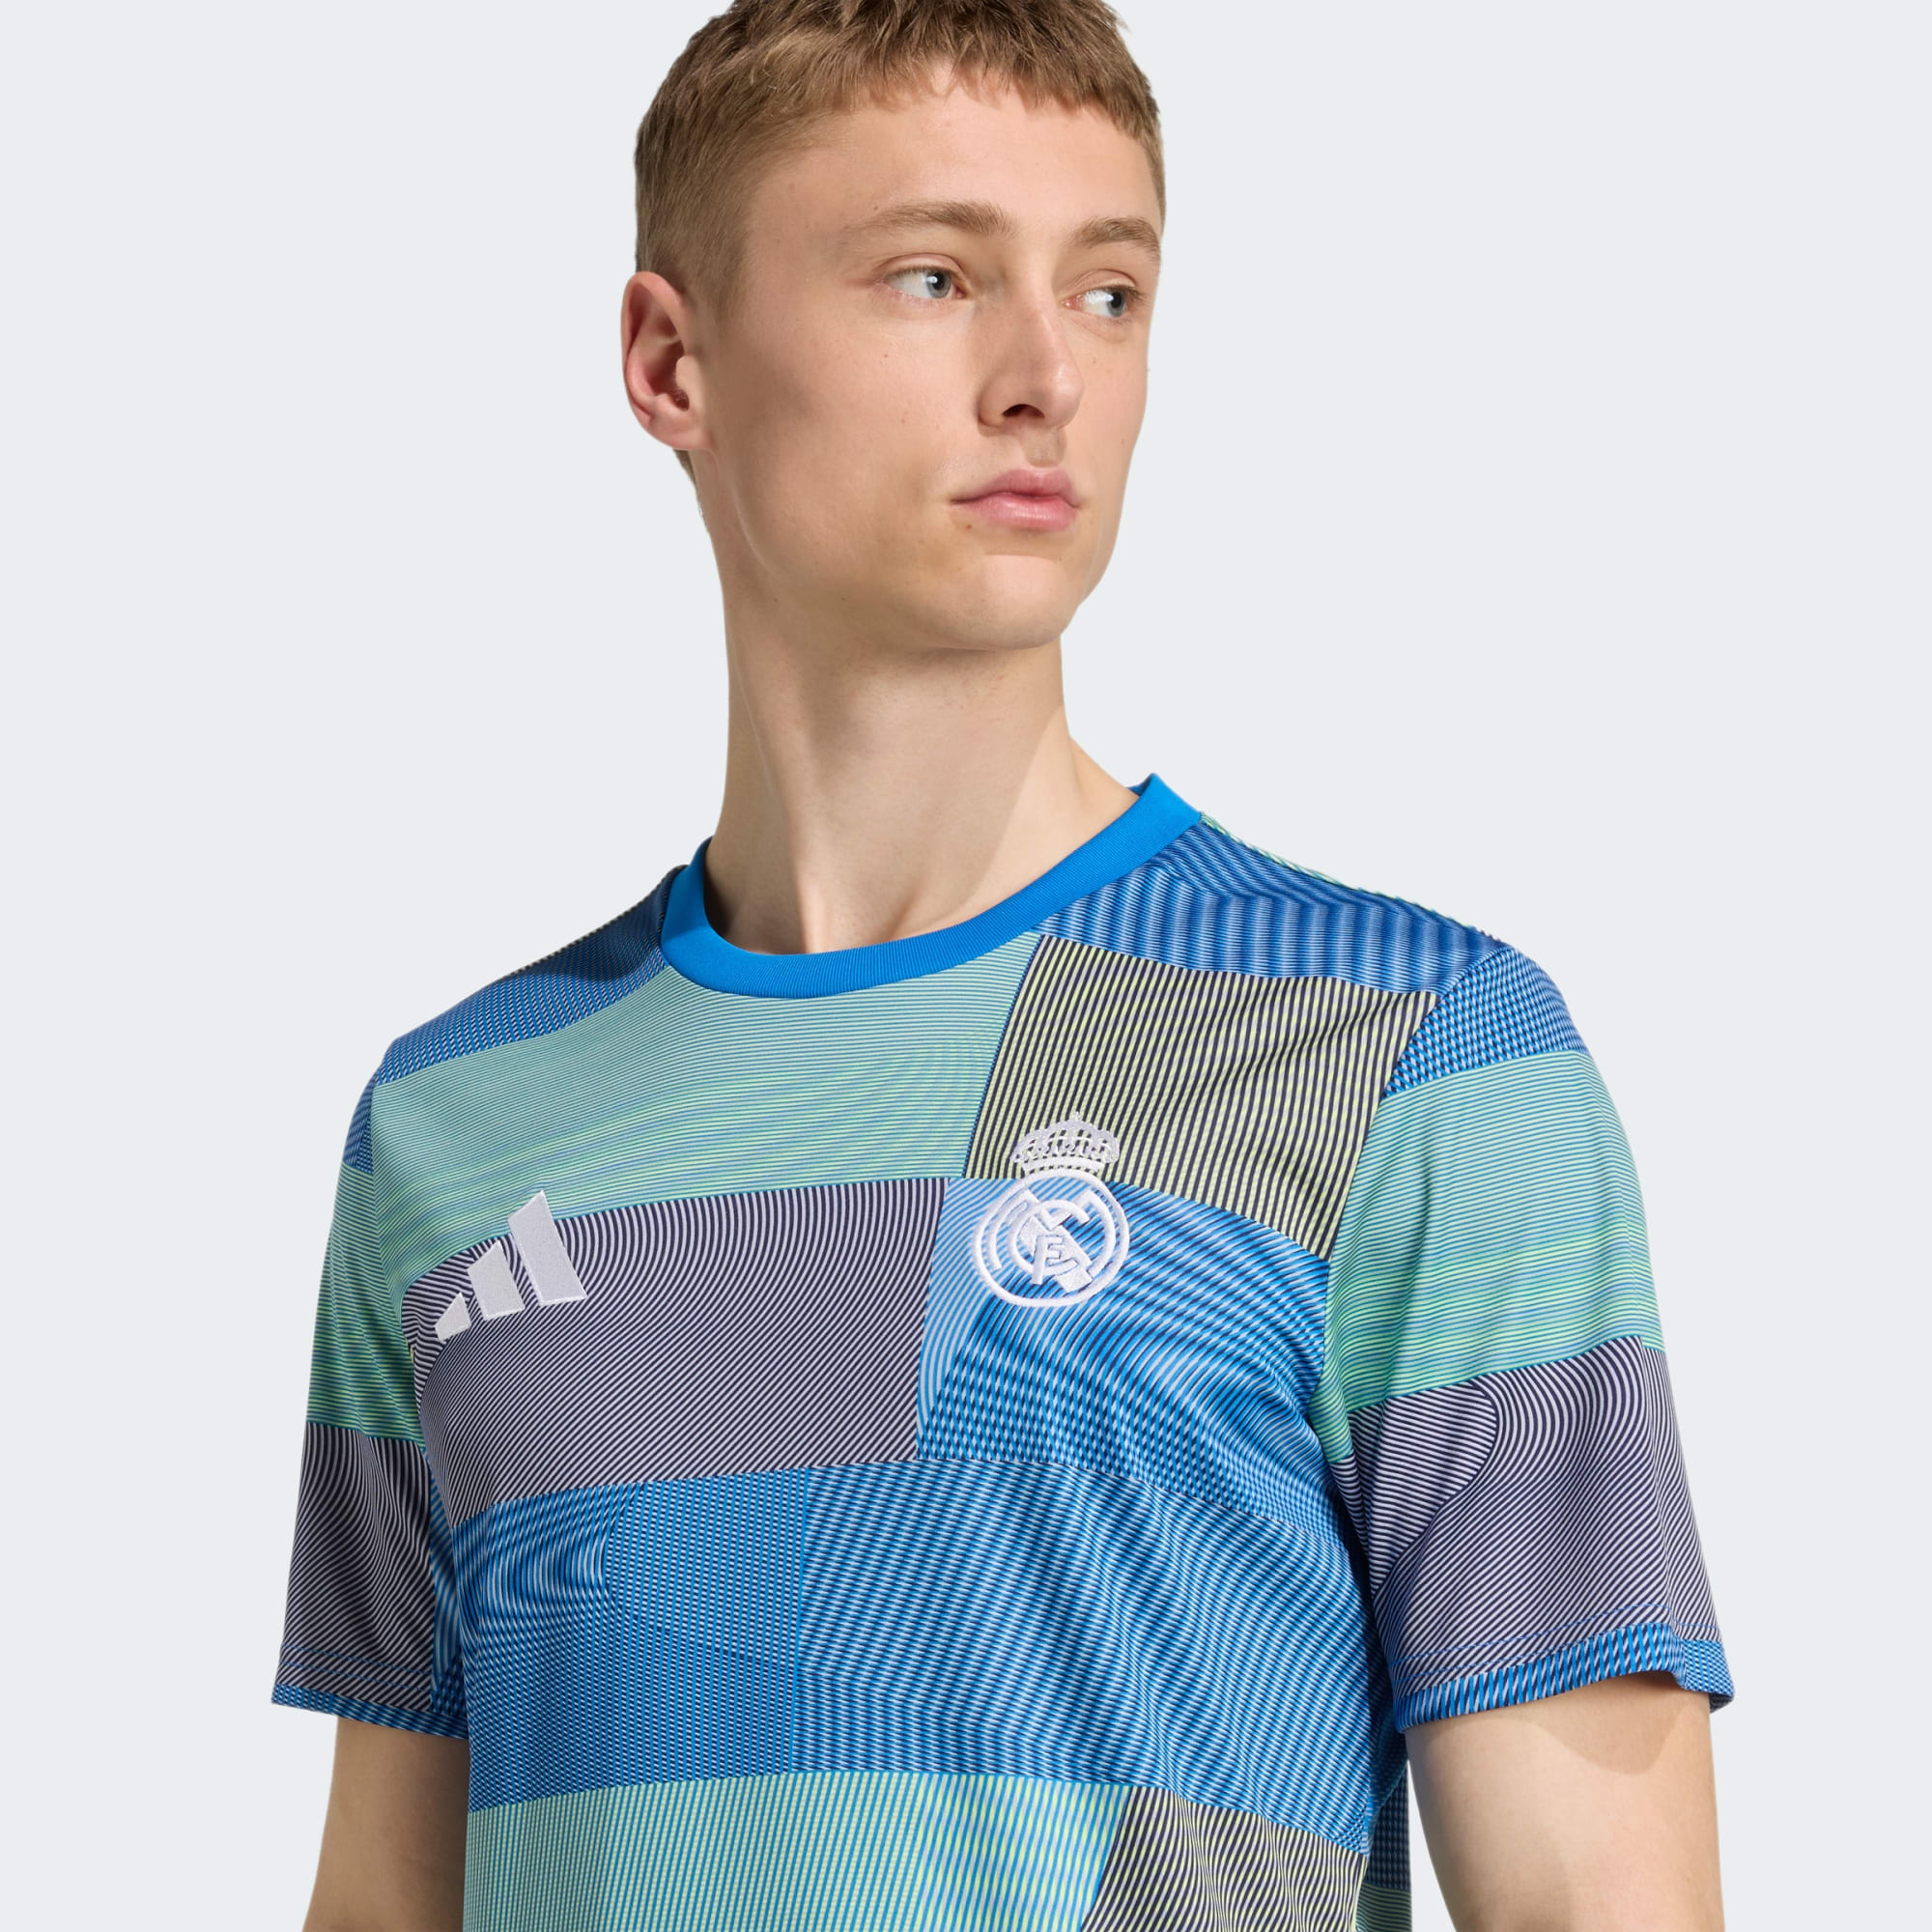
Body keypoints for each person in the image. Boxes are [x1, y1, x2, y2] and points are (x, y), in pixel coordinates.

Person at [270, 3, 1735, 1927]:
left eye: (1109, 291)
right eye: (934, 277)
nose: (1047, 376)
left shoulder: (1409, 1052)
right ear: (670, 360)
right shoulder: (456, 1120)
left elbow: (1596, 1909)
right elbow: (386, 1898)